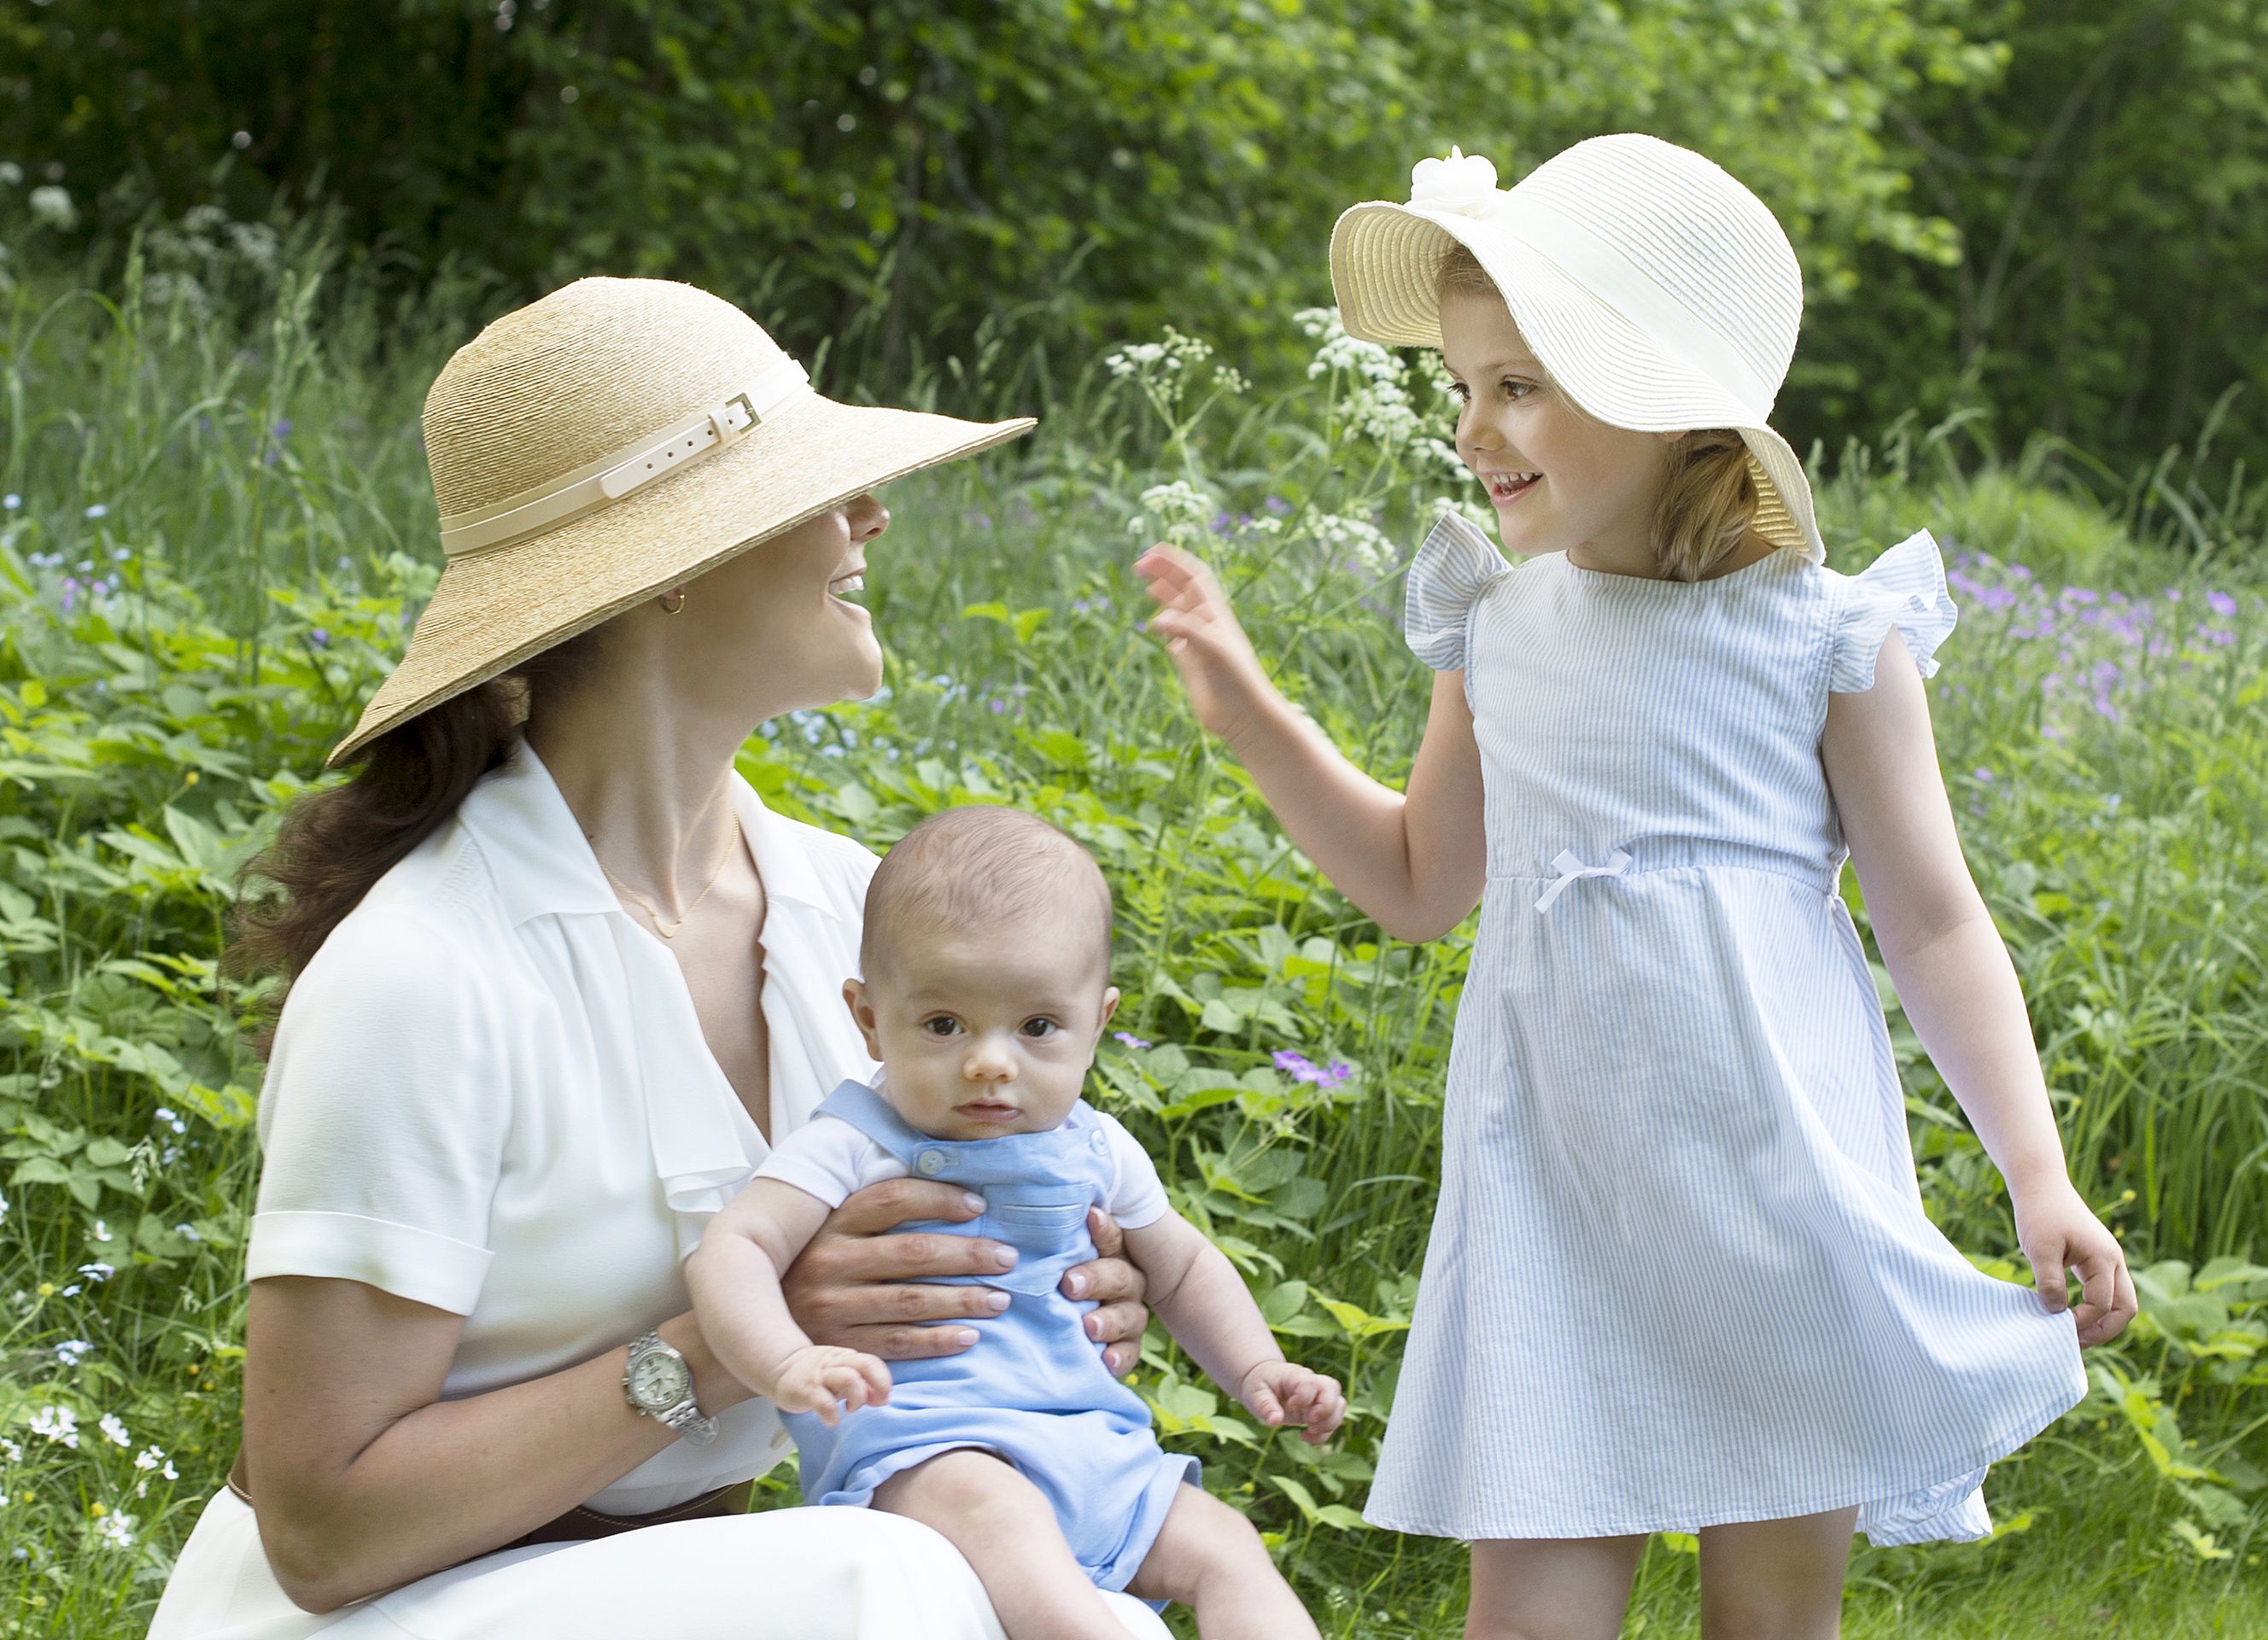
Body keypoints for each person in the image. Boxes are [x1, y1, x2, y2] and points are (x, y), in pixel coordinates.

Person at [1136, 136, 2137, 1640]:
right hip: (1554, 1189)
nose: (1474, 426)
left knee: (1770, 1617)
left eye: (1518, 384)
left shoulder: (1825, 637)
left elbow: (1932, 921)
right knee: (1529, 1614)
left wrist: (2035, 1170)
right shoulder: (1499, 628)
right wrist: (1249, 718)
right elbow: (1419, 880)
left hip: (1770, 1187)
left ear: (1660, 395)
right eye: (1464, 387)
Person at [147, 276, 1168, 1639]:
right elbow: (325, 1532)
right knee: (903, 1584)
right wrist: (728, 1346)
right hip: (361, 1617)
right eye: (819, 485)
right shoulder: (426, 975)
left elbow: (952, 1284)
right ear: (671, 564)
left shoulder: (854, 913)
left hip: (681, 1596)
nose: (868, 516)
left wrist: (1045, 1301)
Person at [688, 806, 1344, 1640]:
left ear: (1098, 1022)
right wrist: (784, 1358)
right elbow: (734, 1248)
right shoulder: (854, 1141)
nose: (990, 1060)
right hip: (931, 1446)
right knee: (1011, 1532)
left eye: (1036, 1026)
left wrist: (1259, 1364)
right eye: (943, 1024)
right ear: (868, 1018)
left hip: (1091, 1440)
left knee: (1225, 1545)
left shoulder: (1100, 1146)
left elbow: (1181, 1267)